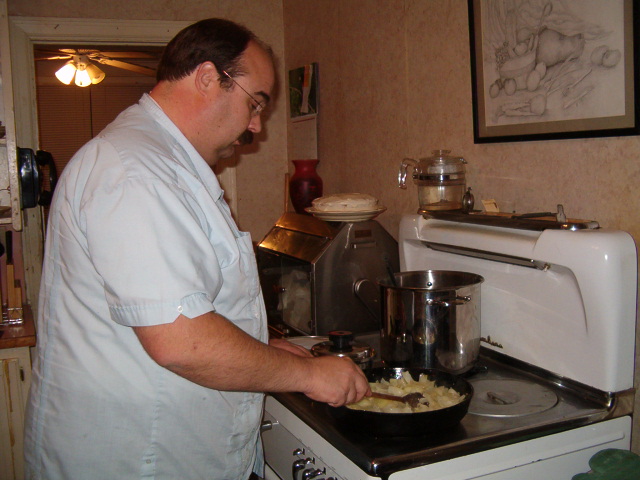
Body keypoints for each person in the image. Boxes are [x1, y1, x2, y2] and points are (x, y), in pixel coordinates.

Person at [23, 18, 370, 480]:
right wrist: (311, 376)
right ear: (208, 77)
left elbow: (183, 302)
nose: (255, 126)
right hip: (136, 459)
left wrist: (262, 347)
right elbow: (181, 342)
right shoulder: (136, 171)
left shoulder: (163, 164)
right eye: (255, 104)